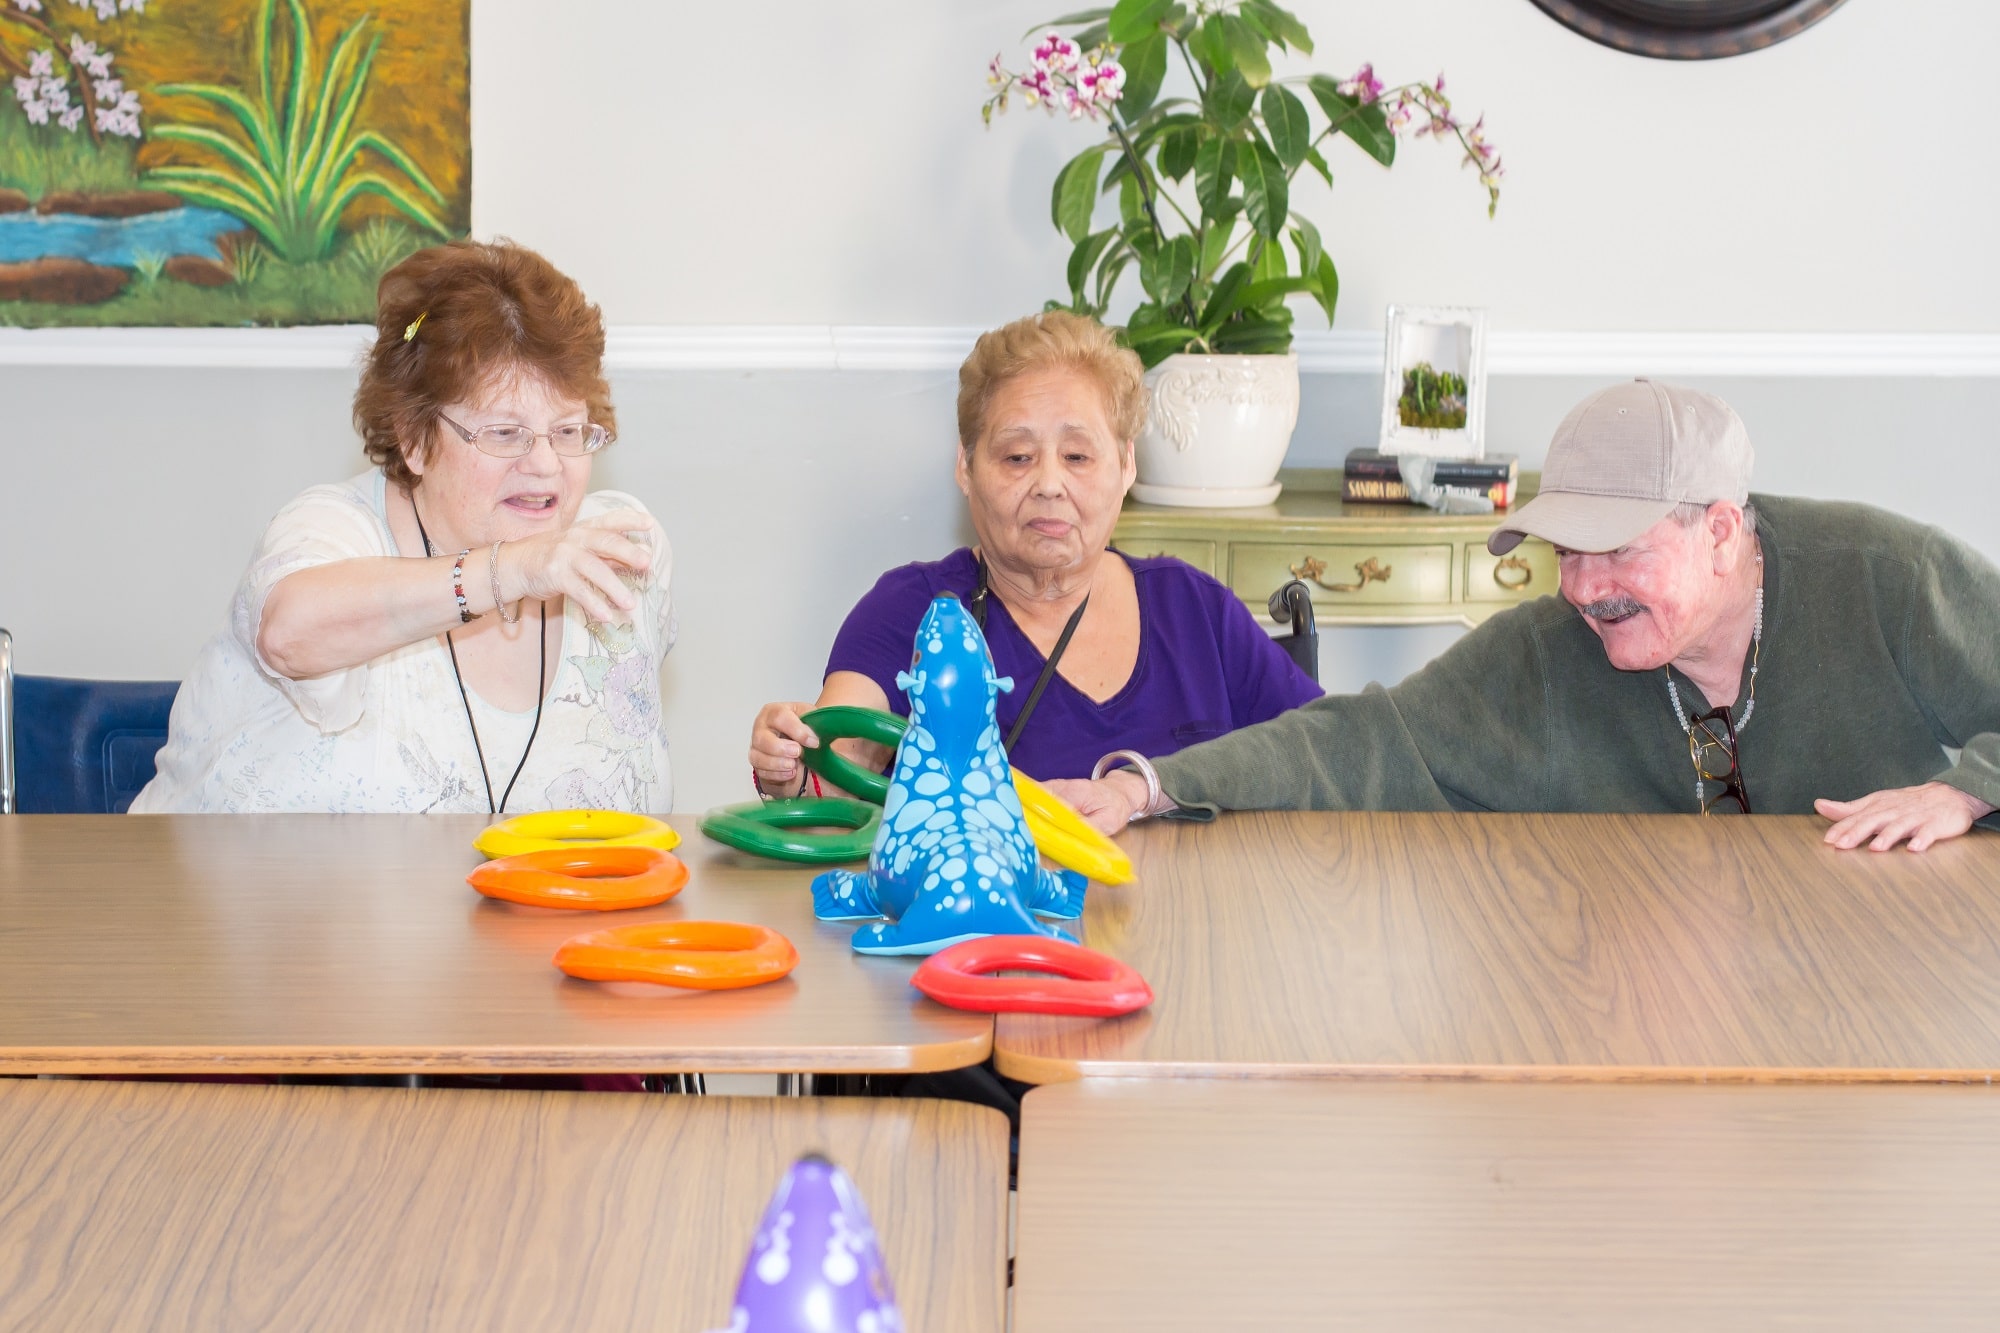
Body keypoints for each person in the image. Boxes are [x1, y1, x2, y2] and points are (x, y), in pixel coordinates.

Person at [1047, 379, 2000, 853]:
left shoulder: (1893, 579)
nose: (1584, 589)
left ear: (1719, 531)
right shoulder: (1549, 652)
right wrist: (1149, 788)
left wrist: (1964, 790)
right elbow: (1361, 741)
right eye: (1566, 551)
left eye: (1618, 548)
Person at [136, 239, 674, 815]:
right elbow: (288, 633)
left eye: (567, 431)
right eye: (503, 432)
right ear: (415, 438)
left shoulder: (625, 549)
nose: (545, 464)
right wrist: (511, 570)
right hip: (220, 902)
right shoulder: (331, 531)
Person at [748, 310, 1321, 794]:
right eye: (1018, 457)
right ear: (965, 467)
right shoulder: (908, 610)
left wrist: (1153, 788)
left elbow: (1319, 754)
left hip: (1189, 921)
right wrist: (793, 768)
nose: (1049, 483)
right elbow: (839, 769)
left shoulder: (1196, 611)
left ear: (1126, 465)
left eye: (1077, 456)